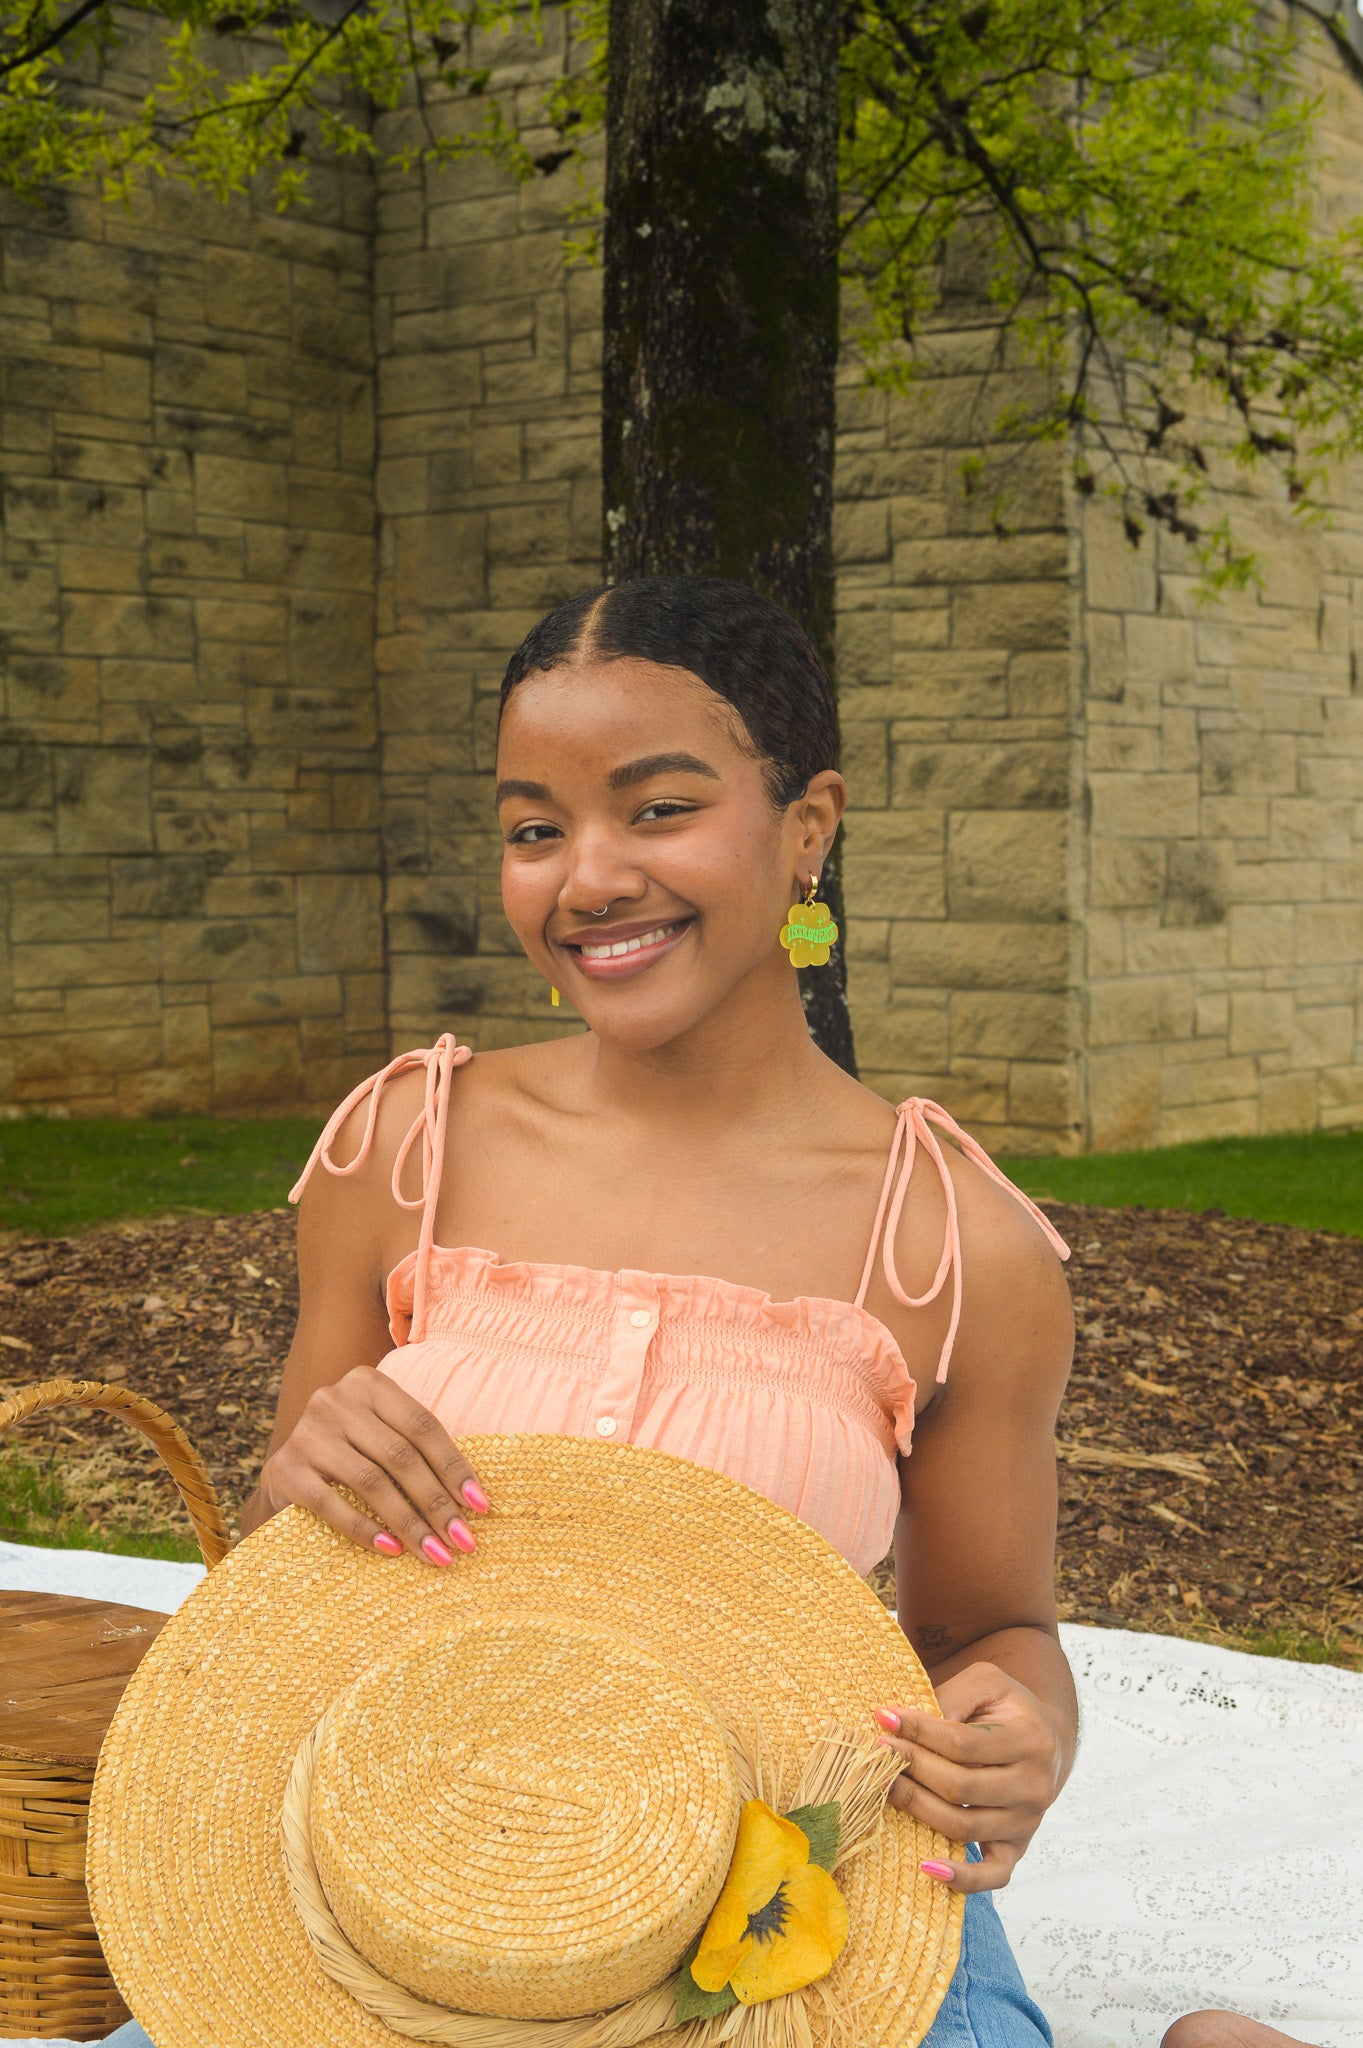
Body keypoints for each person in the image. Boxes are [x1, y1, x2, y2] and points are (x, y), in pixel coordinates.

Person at [97, 576, 1311, 2048]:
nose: (586, 877)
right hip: (421, 1903)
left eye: (658, 810)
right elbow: (294, 1567)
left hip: (797, 1918)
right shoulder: (400, 1149)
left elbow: (991, 1628)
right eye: (534, 828)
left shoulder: (953, 1244)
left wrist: (1023, 1729)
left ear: (809, 827)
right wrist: (310, 1473)